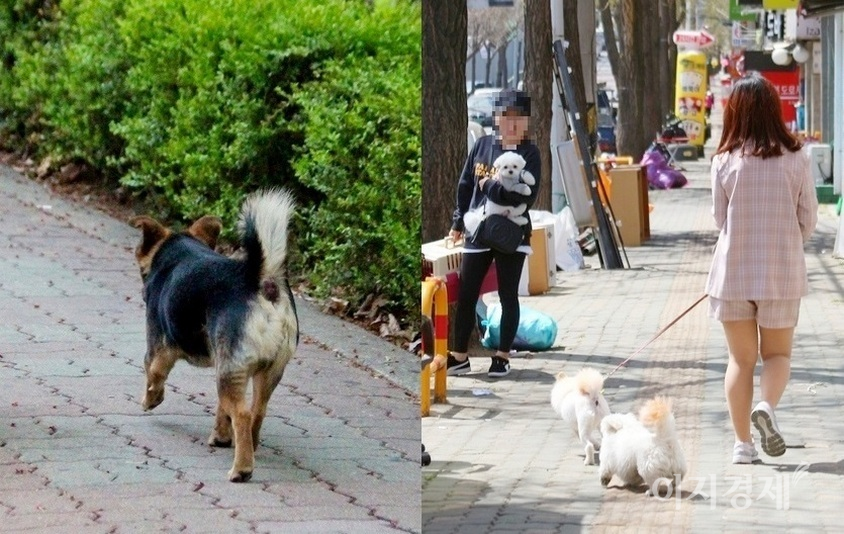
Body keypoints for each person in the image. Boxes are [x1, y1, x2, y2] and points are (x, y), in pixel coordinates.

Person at [705, 75, 818, 464]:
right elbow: (808, 219)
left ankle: (742, 446)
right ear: (774, 110)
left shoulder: (723, 161)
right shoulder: (798, 158)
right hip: (781, 274)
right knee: (778, 357)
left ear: (734, 113)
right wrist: (785, 241)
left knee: (740, 361)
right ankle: (766, 408)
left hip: (732, 275)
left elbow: (720, 220)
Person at [446, 89, 540, 378]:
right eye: (505, 117)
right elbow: (465, 185)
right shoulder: (483, 146)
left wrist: (490, 187)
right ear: (496, 118)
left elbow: (526, 198)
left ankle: (502, 356)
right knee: (467, 292)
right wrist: (457, 223)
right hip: (478, 229)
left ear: (526, 121)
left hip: (512, 232)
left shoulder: (530, 153)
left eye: (517, 118)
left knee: (508, 294)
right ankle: (459, 356)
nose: (511, 124)